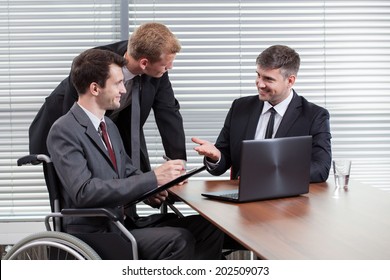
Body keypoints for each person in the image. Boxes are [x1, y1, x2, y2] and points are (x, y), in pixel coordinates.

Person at [46, 48, 224, 260]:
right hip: (96, 233)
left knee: (209, 228)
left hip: (121, 224)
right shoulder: (64, 130)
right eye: (118, 83)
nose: (124, 89)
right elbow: (85, 192)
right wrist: (153, 177)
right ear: (95, 88)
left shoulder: (109, 126)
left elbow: (128, 171)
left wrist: (153, 189)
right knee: (178, 239)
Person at [29, 22, 186, 173]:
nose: (169, 68)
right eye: (166, 66)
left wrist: (178, 164)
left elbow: (168, 111)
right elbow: (76, 124)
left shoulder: (156, 66)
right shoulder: (93, 64)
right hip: (67, 122)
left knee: (135, 182)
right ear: (144, 63)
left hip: (117, 128)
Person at [192, 45, 332, 183]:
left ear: (290, 81)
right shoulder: (240, 107)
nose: (260, 84)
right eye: (258, 75)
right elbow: (222, 162)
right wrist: (216, 156)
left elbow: (321, 168)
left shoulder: (314, 116)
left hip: (288, 200)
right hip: (241, 198)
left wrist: (272, 173)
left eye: (268, 79)